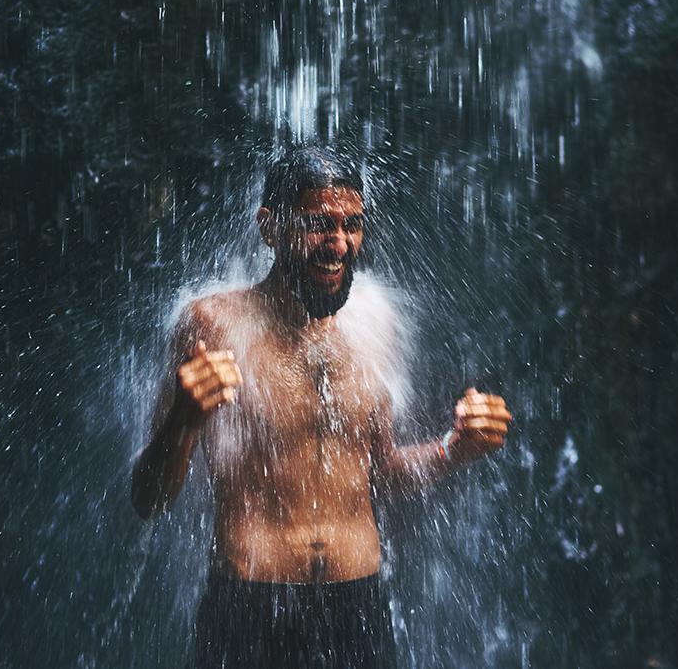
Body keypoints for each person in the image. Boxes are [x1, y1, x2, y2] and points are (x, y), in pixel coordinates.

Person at [131, 145, 513, 668]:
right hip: (249, 606)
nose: (339, 244)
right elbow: (149, 498)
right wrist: (184, 419)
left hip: (358, 604)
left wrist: (456, 449)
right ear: (270, 227)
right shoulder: (213, 327)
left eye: (352, 225)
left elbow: (378, 475)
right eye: (318, 223)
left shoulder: (374, 326)